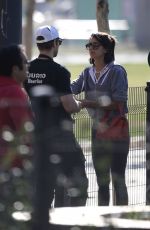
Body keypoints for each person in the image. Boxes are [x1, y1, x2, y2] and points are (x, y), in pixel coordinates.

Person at [24, 25, 88, 218]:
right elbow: (69, 105)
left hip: (35, 132)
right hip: (60, 134)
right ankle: (69, 220)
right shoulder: (59, 71)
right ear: (54, 44)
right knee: (77, 181)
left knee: (44, 184)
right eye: (59, 43)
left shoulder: (26, 69)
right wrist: (82, 103)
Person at [71, 32, 130, 206]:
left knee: (118, 179)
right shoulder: (86, 72)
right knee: (101, 182)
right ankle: (102, 221)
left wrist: (87, 103)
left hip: (117, 130)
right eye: (88, 45)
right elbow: (71, 88)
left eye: (95, 45)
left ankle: (124, 222)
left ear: (106, 49)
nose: (90, 49)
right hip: (97, 130)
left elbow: (118, 102)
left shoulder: (117, 71)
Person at [0, 45, 33, 228]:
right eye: (25, 63)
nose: (28, 66)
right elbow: (25, 131)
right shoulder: (14, 91)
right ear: (15, 69)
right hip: (13, 168)